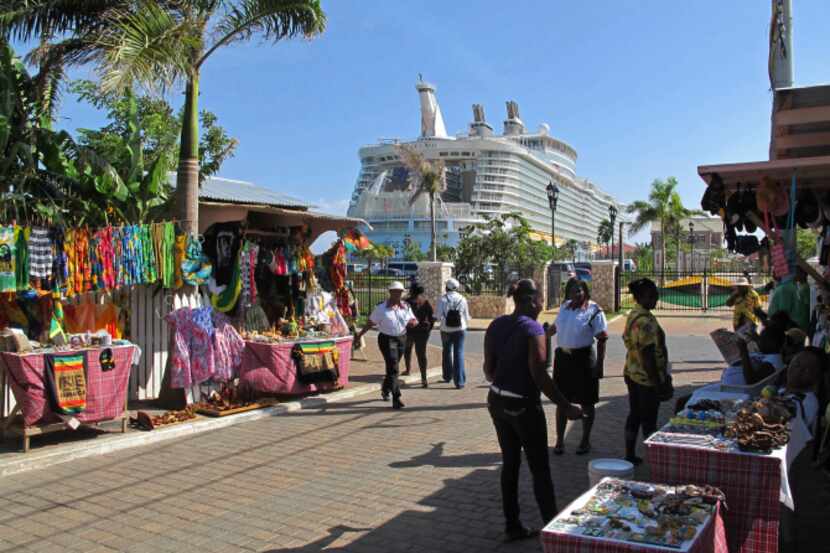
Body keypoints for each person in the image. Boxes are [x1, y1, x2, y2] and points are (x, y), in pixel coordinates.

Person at [484, 279, 582, 543]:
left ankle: (512, 525)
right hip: (524, 407)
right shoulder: (532, 329)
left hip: (497, 402)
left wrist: (508, 376)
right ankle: (553, 534)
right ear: (530, 300)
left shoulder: (496, 325)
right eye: (541, 298)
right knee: (540, 470)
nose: (543, 303)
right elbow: (539, 375)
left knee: (511, 465)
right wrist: (566, 406)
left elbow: (488, 370)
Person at [549, 279, 608, 456]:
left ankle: (585, 440)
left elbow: (602, 338)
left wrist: (599, 365)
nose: (577, 294)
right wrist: (541, 335)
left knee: (587, 402)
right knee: (562, 401)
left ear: (586, 292)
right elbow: (555, 327)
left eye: (581, 290)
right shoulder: (564, 307)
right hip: (563, 359)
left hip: (584, 360)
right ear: (568, 294)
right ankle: (559, 441)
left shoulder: (594, 310)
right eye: (574, 291)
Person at [622, 278, 673, 465]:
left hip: (632, 372)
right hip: (646, 379)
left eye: (656, 294)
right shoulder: (646, 322)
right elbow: (648, 355)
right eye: (651, 296)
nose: (656, 298)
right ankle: (654, 461)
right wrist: (659, 384)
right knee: (649, 421)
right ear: (640, 297)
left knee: (634, 414)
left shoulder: (634, 314)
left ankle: (629, 454)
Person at [355, 281, 417, 409]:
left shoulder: (406, 306)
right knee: (394, 367)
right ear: (390, 292)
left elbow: (412, 319)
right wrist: (360, 335)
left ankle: (385, 389)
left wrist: (413, 322)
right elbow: (370, 323)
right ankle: (396, 397)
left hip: (401, 338)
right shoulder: (381, 308)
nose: (397, 294)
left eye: (400, 292)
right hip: (387, 340)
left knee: (392, 368)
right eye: (395, 291)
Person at [438, 278, 470, 388]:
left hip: (445, 329)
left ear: (446, 287)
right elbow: (467, 316)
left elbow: (438, 316)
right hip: (460, 329)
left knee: (446, 352)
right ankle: (460, 382)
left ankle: (447, 376)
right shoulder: (463, 299)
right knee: (459, 353)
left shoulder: (442, 299)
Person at [403, 284, 435, 388]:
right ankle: (424, 378)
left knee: (407, 350)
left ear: (411, 291)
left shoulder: (406, 302)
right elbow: (431, 317)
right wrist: (429, 328)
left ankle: (408, 369)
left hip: (410, 330)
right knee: (421, 354)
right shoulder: (425, 301)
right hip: (423, 331)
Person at [769, 267, 811, 332]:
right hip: (795, 325)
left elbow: (783, 312)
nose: (773, 273)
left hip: (795, 326)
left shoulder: (785, 288)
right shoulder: (787, 286)